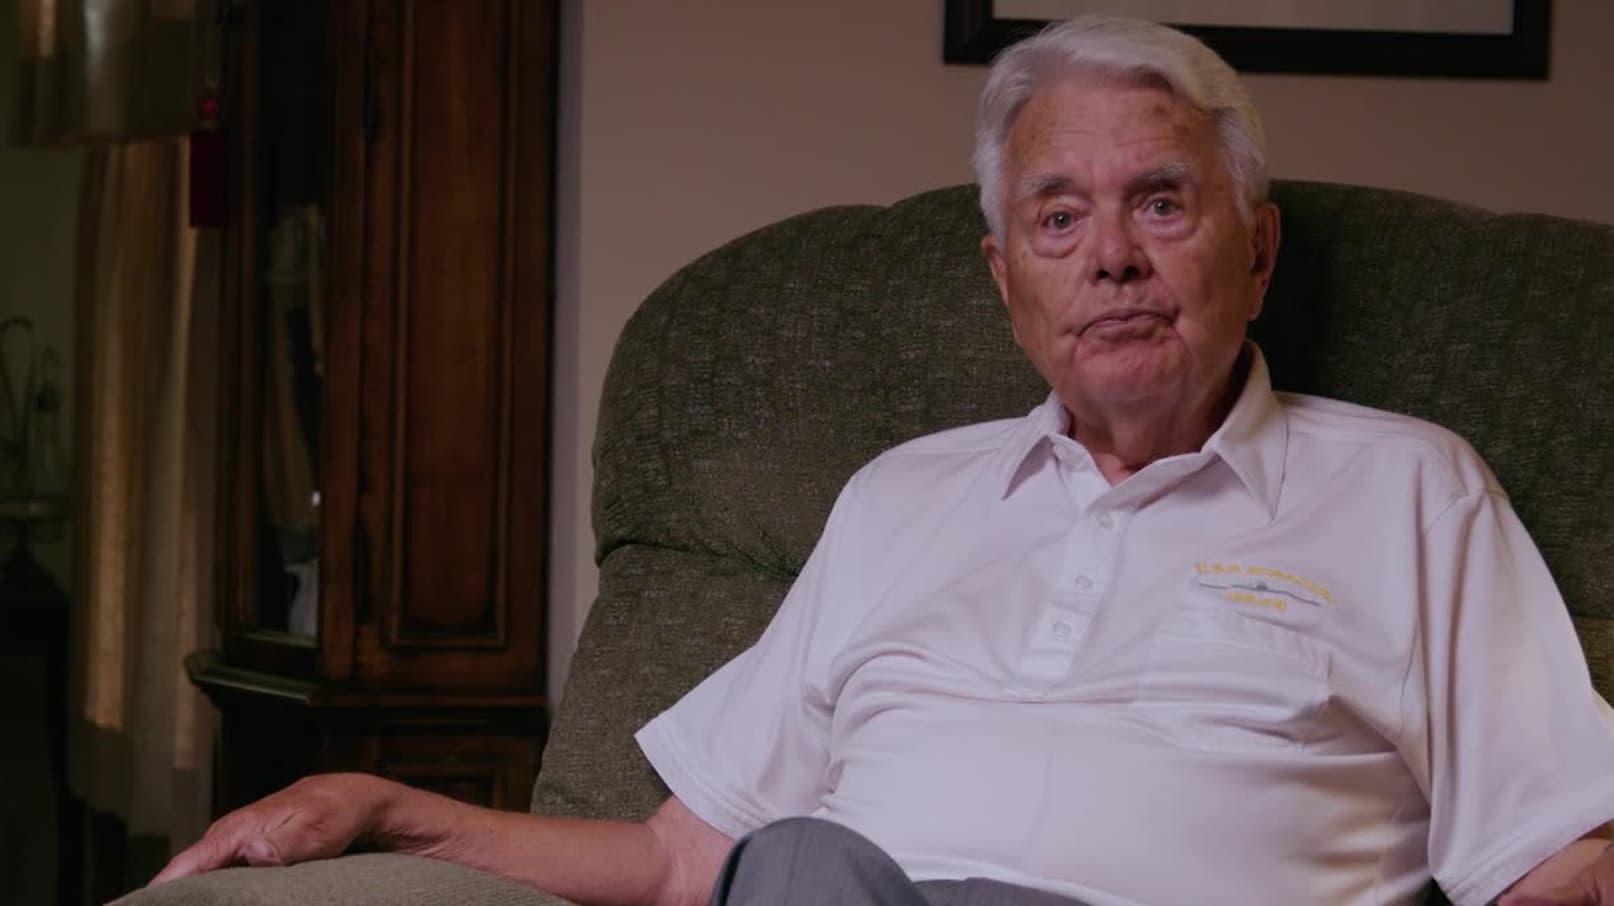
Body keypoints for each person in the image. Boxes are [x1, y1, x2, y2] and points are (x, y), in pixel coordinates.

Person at [151, 15, 1614, 906]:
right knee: (795, 861)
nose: (1109, 255)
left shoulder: (1410, 489)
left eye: (1162, 202)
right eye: (1057, 217)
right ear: (1004, 280)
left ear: (1259, 249)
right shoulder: (902, 495)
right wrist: (389, 806)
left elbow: (1549, 855)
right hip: (838, 897)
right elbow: (682, 861)